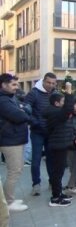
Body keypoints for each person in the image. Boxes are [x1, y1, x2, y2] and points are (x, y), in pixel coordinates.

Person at [0, 73, 31, 211]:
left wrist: (23, 109)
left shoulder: (9, 98)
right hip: (10, 140)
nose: (16, 87)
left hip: (14, 138)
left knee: (15, 170)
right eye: (13, 84)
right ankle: (8, 202)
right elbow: (20, 116)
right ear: (3, 85)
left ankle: (8, 199)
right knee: (14, 171)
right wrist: (23, 110)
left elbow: (25, 108)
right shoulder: (3, 100)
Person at [25, 72, 57, 196]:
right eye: (48, 82)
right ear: (43, 81)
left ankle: (52, 182)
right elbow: (26, 110)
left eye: (53, 83)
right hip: (37, 131)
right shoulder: (34, 93)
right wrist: (36, 123)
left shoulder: (55, 93)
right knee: (36, 159)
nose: (51, 85)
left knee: (51, 159)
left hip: (51, 132)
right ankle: (36, 184)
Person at [43, 87, 75, 207]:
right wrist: (68, 93)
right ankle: (55, 198)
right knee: (57, 172)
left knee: (59, 171)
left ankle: (59, 193)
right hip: (58, 146)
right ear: (57, 103)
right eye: (62, 101)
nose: (64, 103)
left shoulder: (54, 112)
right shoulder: (55, 112)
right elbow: (68, 110)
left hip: (60, 144)